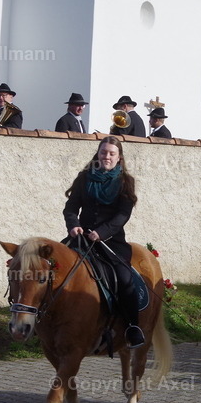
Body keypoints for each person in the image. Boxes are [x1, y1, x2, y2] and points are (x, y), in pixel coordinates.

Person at [63, 135, 144, 347]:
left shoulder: (126, 182)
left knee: (125, 279)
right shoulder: (84, 177)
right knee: (55, 268)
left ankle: (132, 327)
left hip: (111, 242)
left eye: (111, 153)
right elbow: (71, 207)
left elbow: (122, 215)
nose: (106, 156)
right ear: (97, 154)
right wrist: (74, 225)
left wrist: (102, 232)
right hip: (81, 238)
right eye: (103, 152)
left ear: (119, 157)